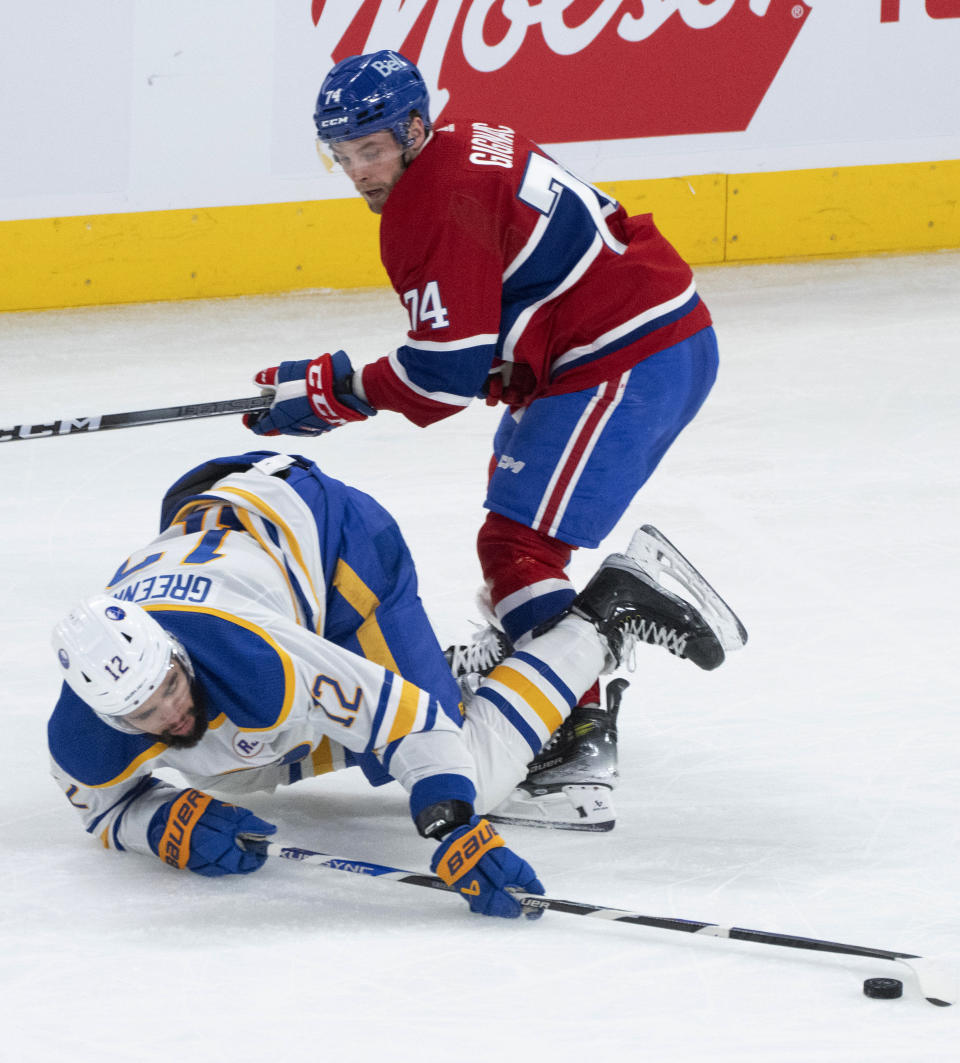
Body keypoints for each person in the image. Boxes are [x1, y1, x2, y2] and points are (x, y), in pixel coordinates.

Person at [243, 50, 725, 830]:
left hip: (626, 355)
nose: (361, 170)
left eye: (372, 148)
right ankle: (544, 676)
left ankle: (577, 742)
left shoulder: (431, 202)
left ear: (412, 128)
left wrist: (337, 390)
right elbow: (495, 316)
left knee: (519, 551)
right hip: (637, 336)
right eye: (345, 154)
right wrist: (340, 384)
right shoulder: (465, 144)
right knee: (514, 543)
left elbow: (442, 374)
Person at [48, 451, 740, 917]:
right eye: (143, 714)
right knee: (228, 767)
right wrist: (159, 824)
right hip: (239, 519)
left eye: (170, 684)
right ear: (106, 714)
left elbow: (409, 723)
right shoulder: (81, 732)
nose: (170, 712)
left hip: (337, 543)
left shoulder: (258, 656)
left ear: (171, 648)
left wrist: (452, 820)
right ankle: (461, 673)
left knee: (478, 770)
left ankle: (608, 609)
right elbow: (106, 809)